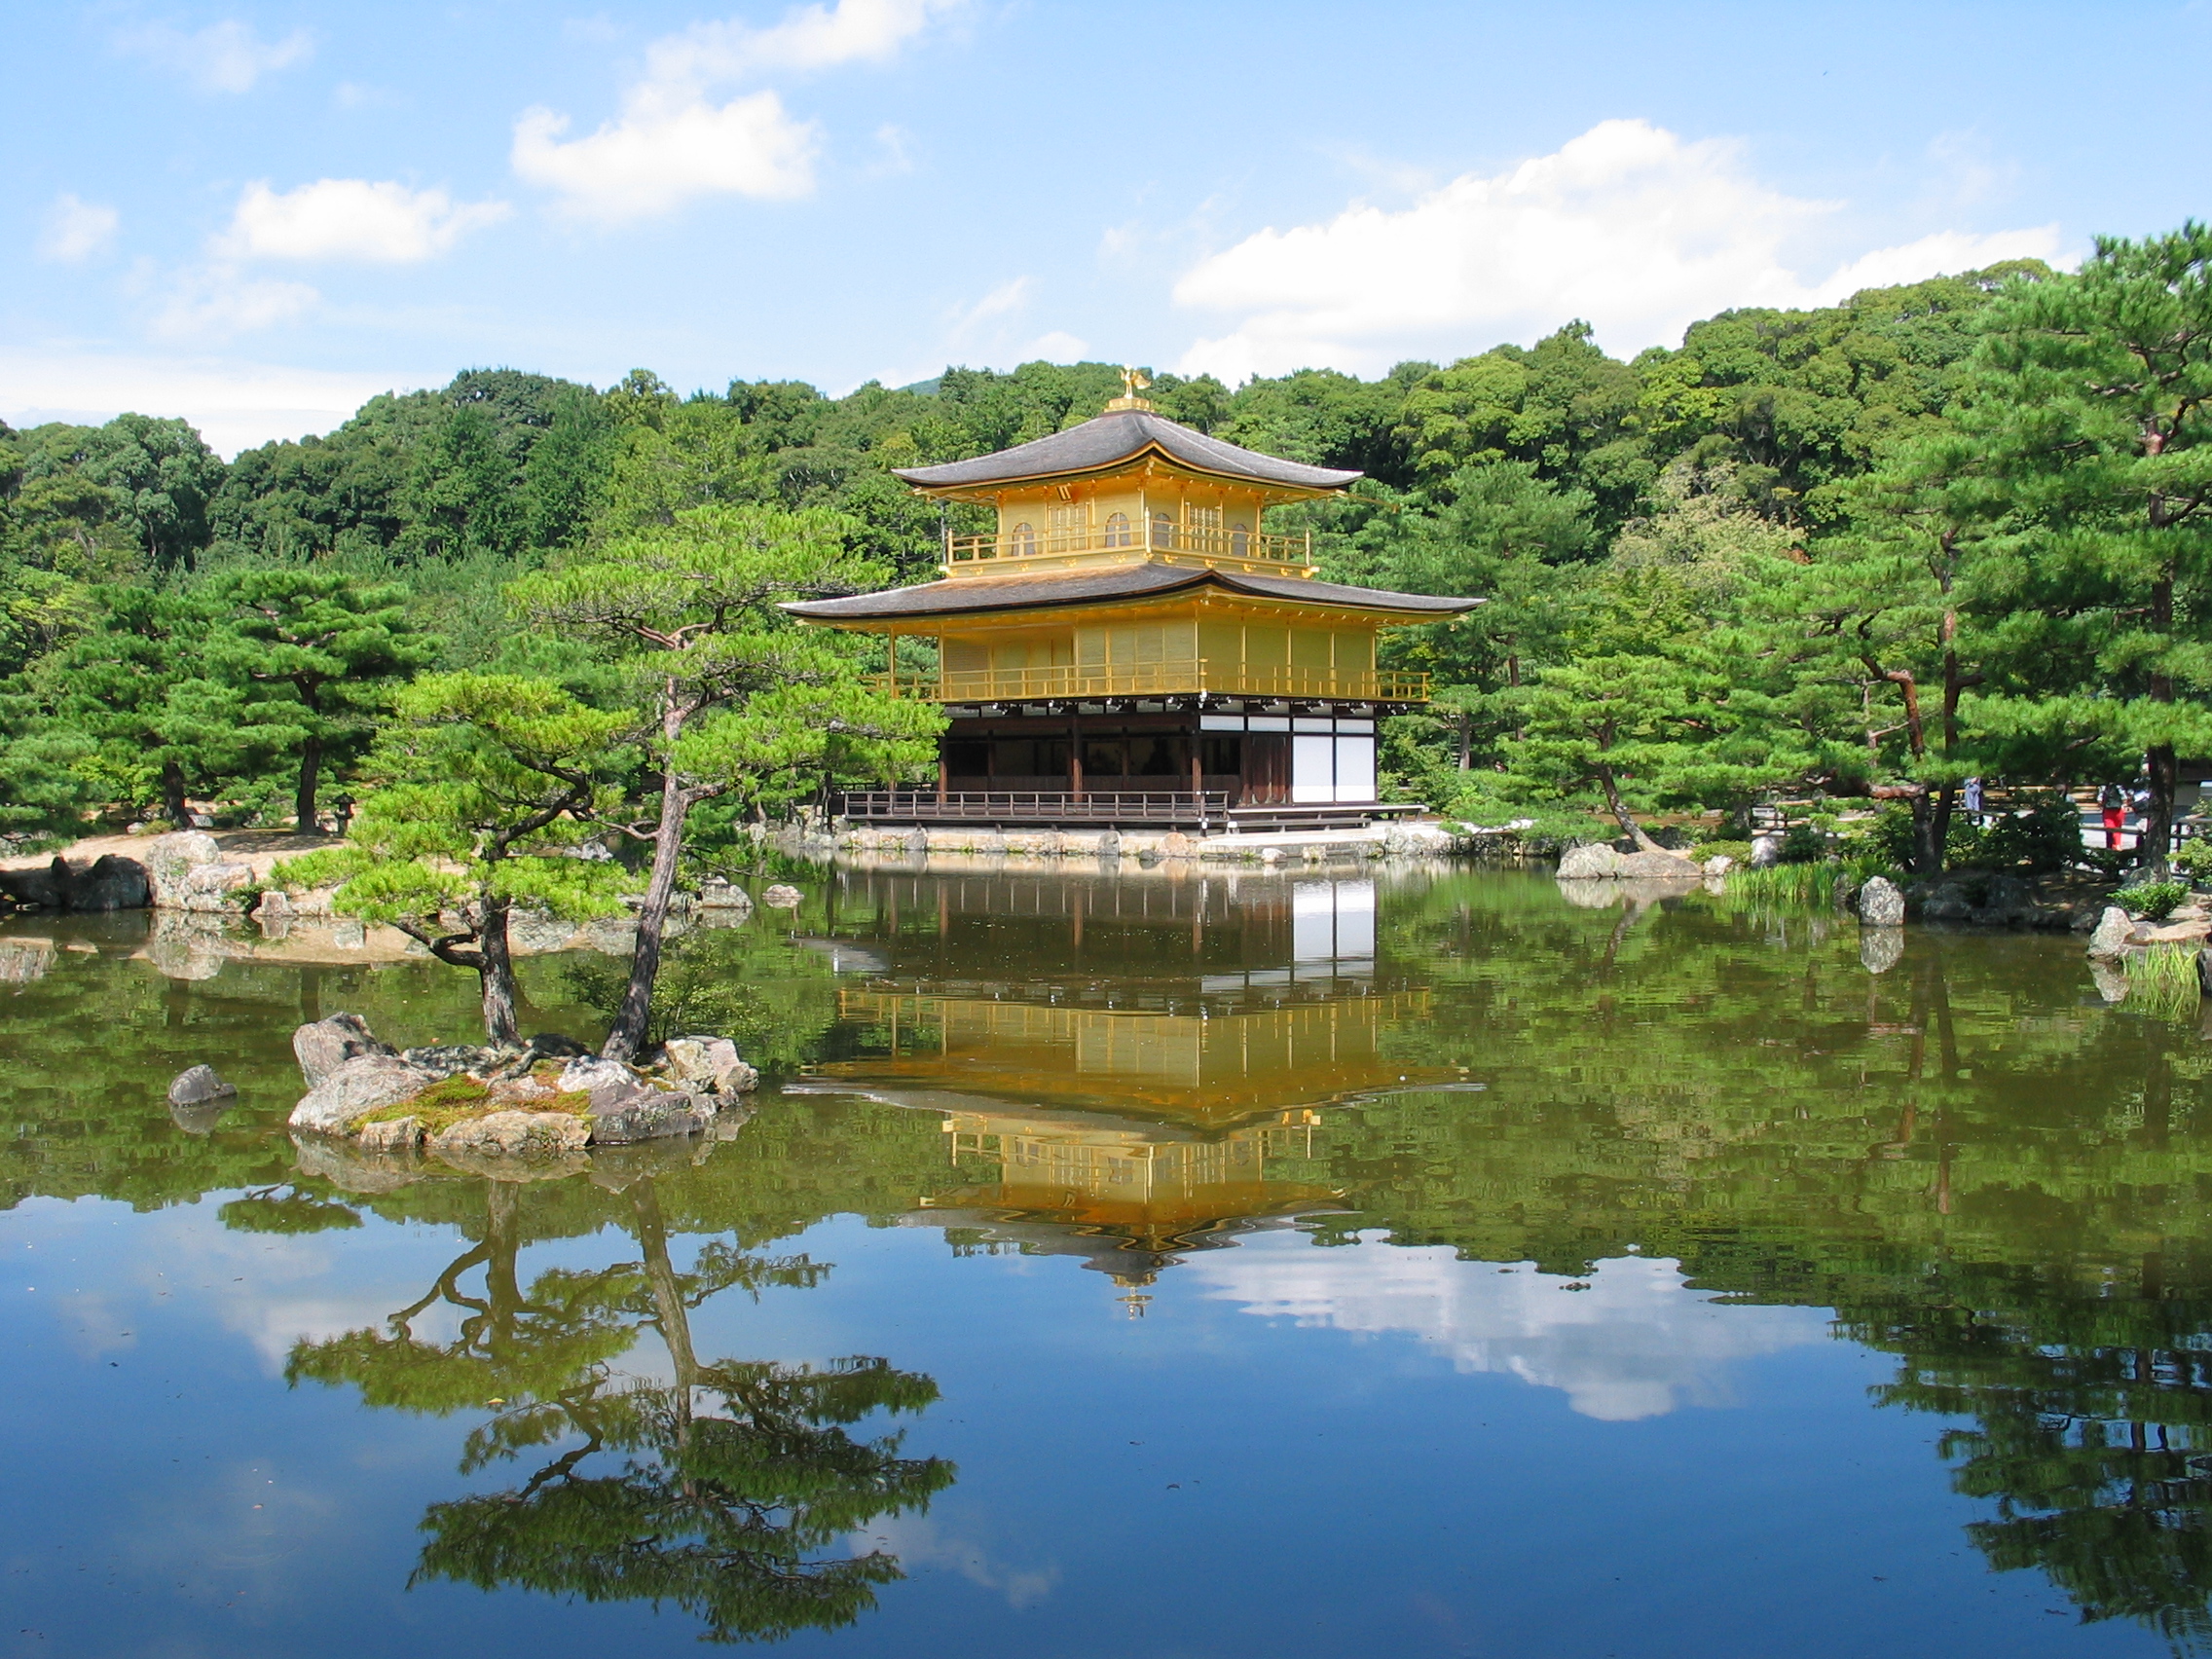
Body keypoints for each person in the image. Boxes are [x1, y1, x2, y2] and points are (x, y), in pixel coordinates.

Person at [2100, 781, 2127, 850]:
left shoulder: (2103, 787)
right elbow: (2125, 798)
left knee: (2109, 828)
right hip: (2119, 810)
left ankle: (2110, 846)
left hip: (2107, 810)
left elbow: (2099, 800)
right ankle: (2118, 845)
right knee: (2118, 828)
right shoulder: (2119, 787)